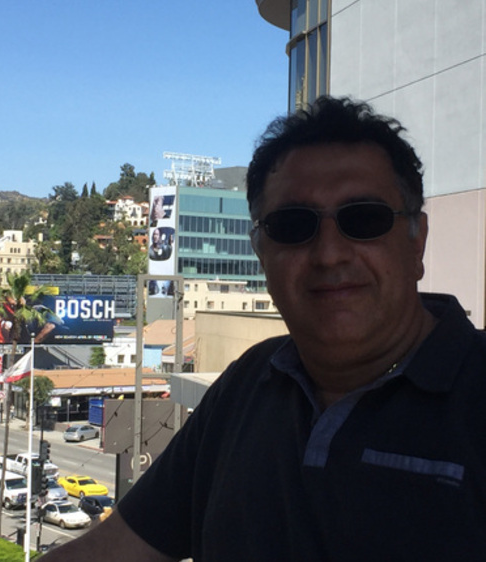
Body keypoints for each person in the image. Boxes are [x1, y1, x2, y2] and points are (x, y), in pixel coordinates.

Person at [39, 97, 486, 560]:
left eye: (364, 219)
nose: (330, 253)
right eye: (293, 226)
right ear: (260, 252)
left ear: (417, 242)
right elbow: (114, 550)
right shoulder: (248, 384)